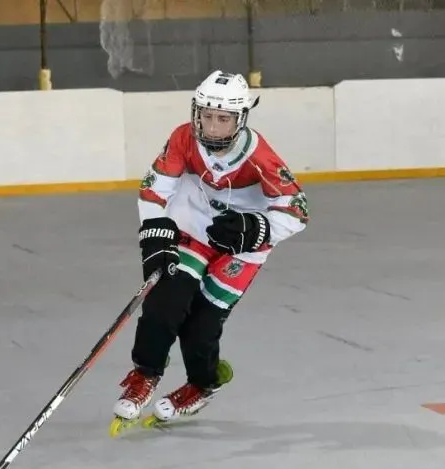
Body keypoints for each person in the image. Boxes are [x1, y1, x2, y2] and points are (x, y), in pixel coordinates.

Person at [109, 70, 310, 436]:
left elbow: (297, 211)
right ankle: (145, 373)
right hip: (192, 231)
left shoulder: (259, 157)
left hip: (240, 249)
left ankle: (202, 384)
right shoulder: (183, 137)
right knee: (164, 303)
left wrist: (257, 229)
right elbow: (155, 190)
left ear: (240, 118)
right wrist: (155, 236)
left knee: (201, 328)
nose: (212, 127)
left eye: (224, 118)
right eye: (206, 115)